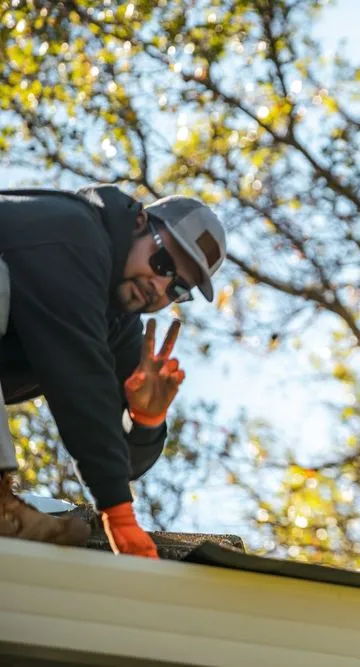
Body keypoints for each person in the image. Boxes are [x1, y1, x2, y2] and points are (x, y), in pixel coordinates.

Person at [0, 184, 226, 559]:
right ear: (138, 222)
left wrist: (147, 419)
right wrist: (118, 513)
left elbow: (119, 456)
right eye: (162, 263)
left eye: (178, 287)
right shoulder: (74, 231)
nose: (160, 287)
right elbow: (80, 378)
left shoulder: (116, 326)